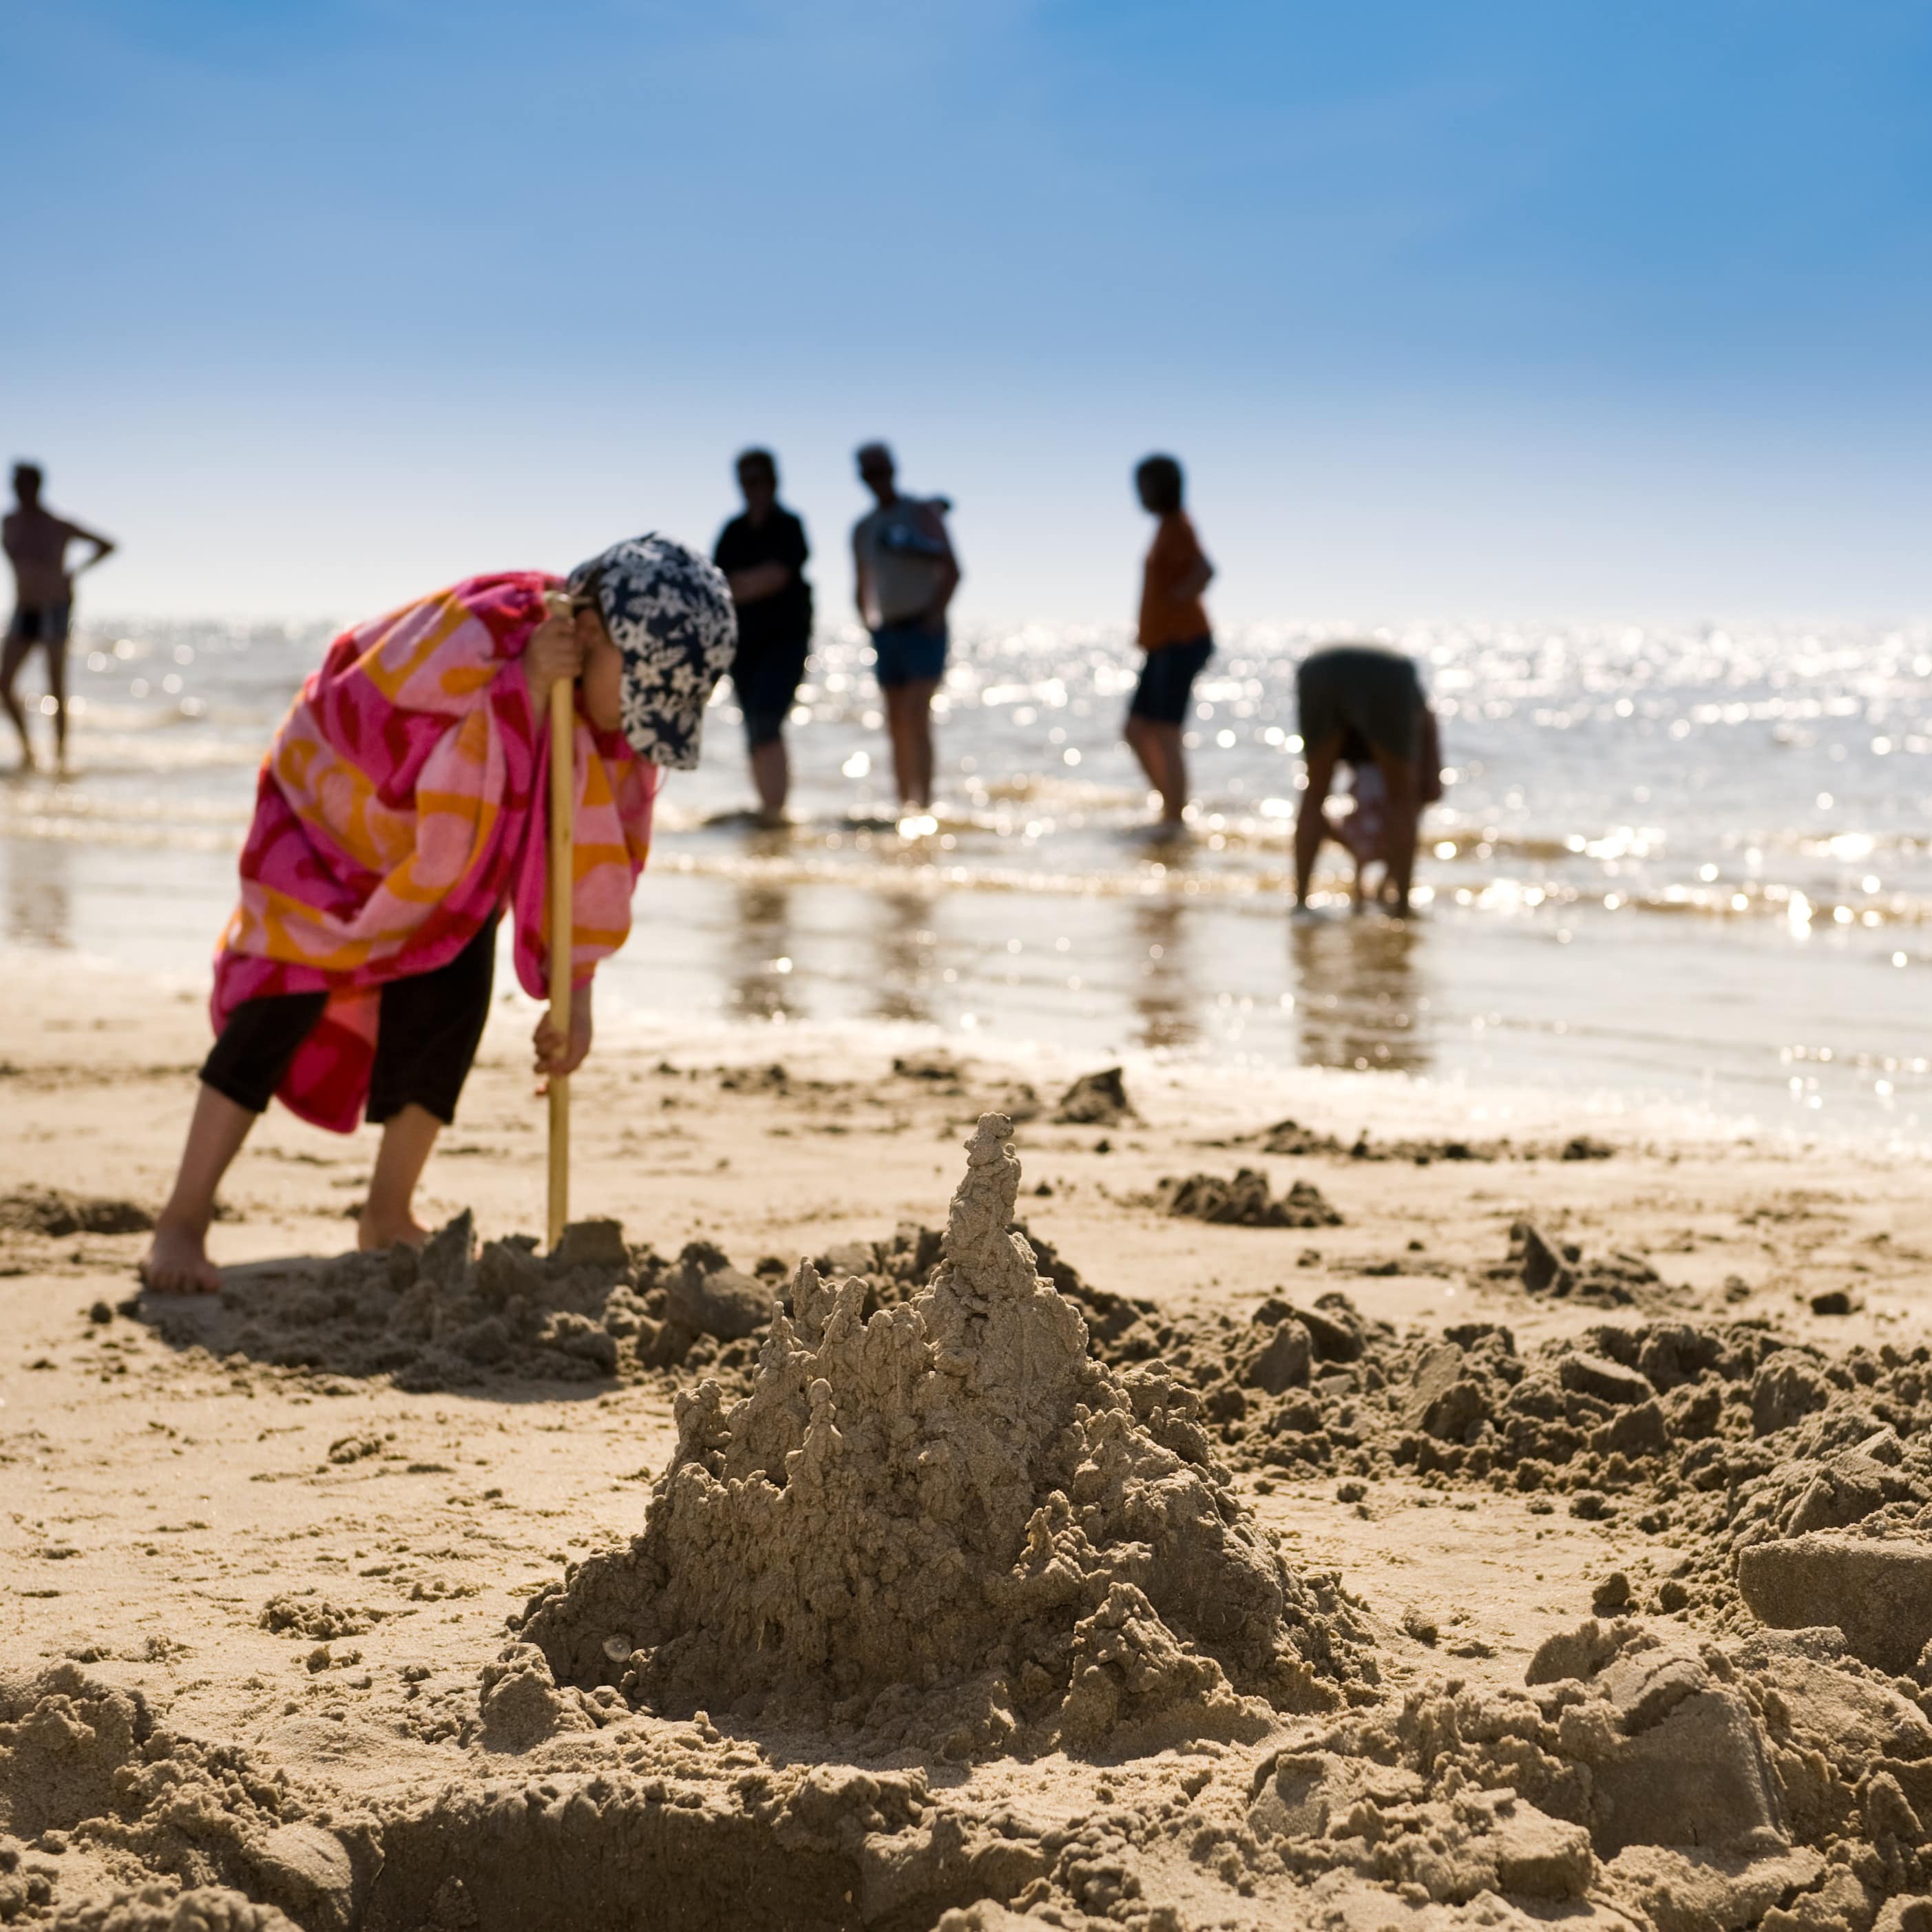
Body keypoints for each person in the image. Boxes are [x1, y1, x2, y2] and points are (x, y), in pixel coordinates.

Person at [138, 536, 736, 1295]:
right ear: (591, 633)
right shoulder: (482, 629)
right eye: (645, 694)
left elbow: (593, 855)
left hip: (456, 872)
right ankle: (182, 1219)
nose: (642, 724)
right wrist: (520, 682)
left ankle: (387, 1212)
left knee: (451, 999)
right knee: (279, 1002)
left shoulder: (616, 727)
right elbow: (388, 712)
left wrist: (574, 994)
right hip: (342, 822)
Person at [1293, 643, 1443, 916]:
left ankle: (1301, 902)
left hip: (1319, 671)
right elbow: (1432, 789)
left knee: (1315, 793)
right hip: (1386, 677)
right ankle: (1401, 906)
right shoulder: (1420, 710)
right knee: (1402, 799)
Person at [851, 441, 959, 813]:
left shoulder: (921, 512)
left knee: (916, 715)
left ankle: (924, 806)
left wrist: (934, 614)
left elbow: (953, 569)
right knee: (896, 722)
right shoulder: (862, 529)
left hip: (923, 628)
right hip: (888, 633)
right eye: (868, 473)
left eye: (880, 470)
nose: (875, 479)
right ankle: (904, 807)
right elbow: (860, 585)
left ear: (893, 469)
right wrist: (870, 626)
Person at [713, 448, 812, 822]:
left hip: (784, 644)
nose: (752, 488)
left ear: (773, 481)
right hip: (743, 646)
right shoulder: (734, 532)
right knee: (753, 724)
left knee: (768, 720)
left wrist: (745, 584)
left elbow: (778, 576)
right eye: (746, 480)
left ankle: (776, 809)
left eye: (758, 479)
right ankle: (767, 808)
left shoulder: (788, 525)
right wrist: (750, 583)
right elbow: (719, 583)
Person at [3, 463, 116, 772]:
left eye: (21, 482)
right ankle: (28, 751)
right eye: (14, 483)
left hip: (54, 608)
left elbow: (107, 545)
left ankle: (61, 759)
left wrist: (74, 573)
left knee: (55, 686)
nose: (15, 488)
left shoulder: (57, 523)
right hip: (23, 610)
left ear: (35, 486)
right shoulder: (9, 523)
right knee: (3, 682)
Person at [1126, 454, 1214, 830]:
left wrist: (1175, 603)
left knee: (1165, 732)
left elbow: (1205, 570)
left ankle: (1175, 818)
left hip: (1182, 641)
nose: (1139, 494)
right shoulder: (1165, 527)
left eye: (1144, 485)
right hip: (1162, 644)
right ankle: (1170, 808)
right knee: (1135, 729)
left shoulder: (1178, 525)